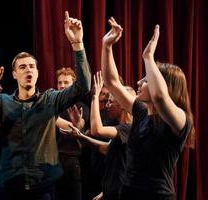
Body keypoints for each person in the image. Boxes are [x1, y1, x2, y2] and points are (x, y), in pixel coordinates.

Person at [0, 11, 91, 200]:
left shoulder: (50, 98)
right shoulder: (2, 101)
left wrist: (77, 44)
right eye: (22, 67)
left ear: (37, 73)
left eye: (32, 66)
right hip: (7, 186)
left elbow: (83, 86)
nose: (28, 69)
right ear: (13, 74)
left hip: (42, 189)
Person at [101, 17, 195, 200]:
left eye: (146, 80)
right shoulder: (142, 111)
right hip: (128, 193)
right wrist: (106, 46)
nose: (139, 82)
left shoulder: (181, 119)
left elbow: (160, 97)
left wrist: (148, 57)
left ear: (164, 85)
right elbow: (112, 82)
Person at [91, 72, 135, 200]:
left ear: (122, 105)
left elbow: (96, 130)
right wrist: (80, 136)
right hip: (113, 189)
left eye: (110, 102)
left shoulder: (128, 128)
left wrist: (94, 97)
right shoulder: (122, 129)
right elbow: (106, 148)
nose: (107, 105)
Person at [54, 67, 90, 200]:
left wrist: (77, 124)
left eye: (66, 82)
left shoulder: (82, 107)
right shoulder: (51, 106)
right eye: (59, 82)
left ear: (73, 85)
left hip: (71, 162)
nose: (62, 86)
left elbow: (80, 129)